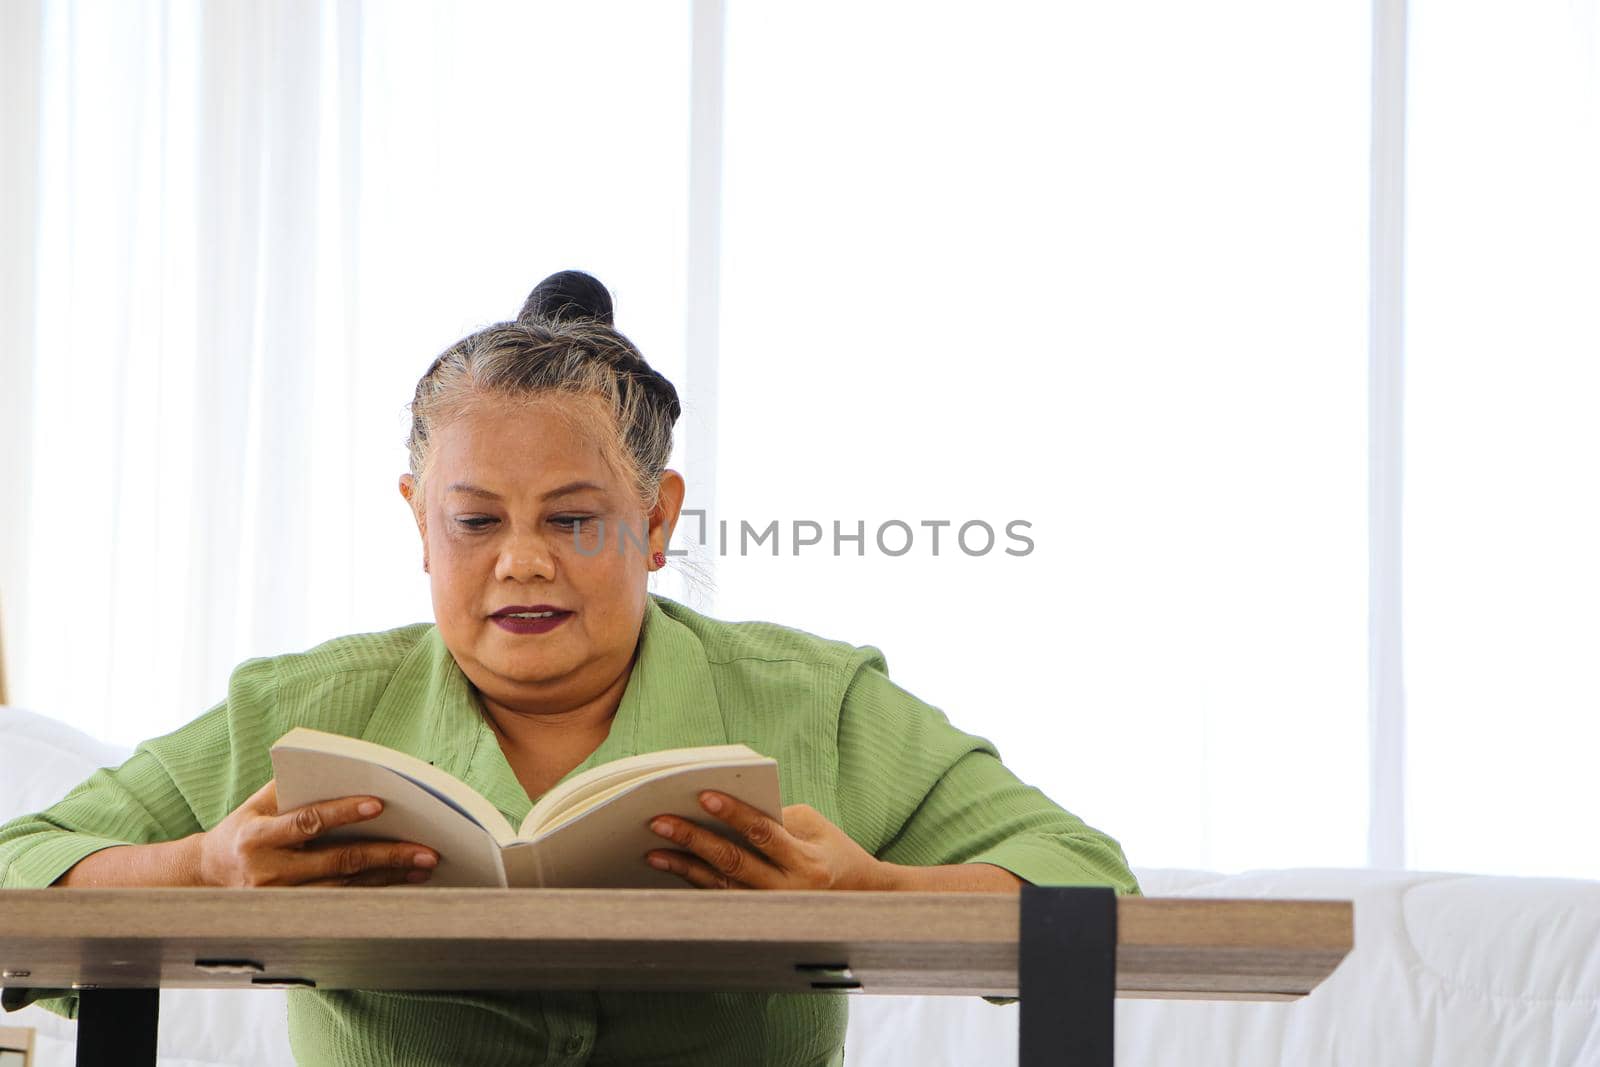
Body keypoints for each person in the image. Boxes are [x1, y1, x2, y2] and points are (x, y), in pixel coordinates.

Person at [0, 272, 1139, 1066]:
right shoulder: (299, 706)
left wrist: (870, 893)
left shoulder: (819, 700)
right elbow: (21, 865)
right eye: (477, 520)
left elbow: (1085, 881)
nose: (524, 561)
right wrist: (199, 867)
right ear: (419, 522)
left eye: (576, 517)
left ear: (657, 518)